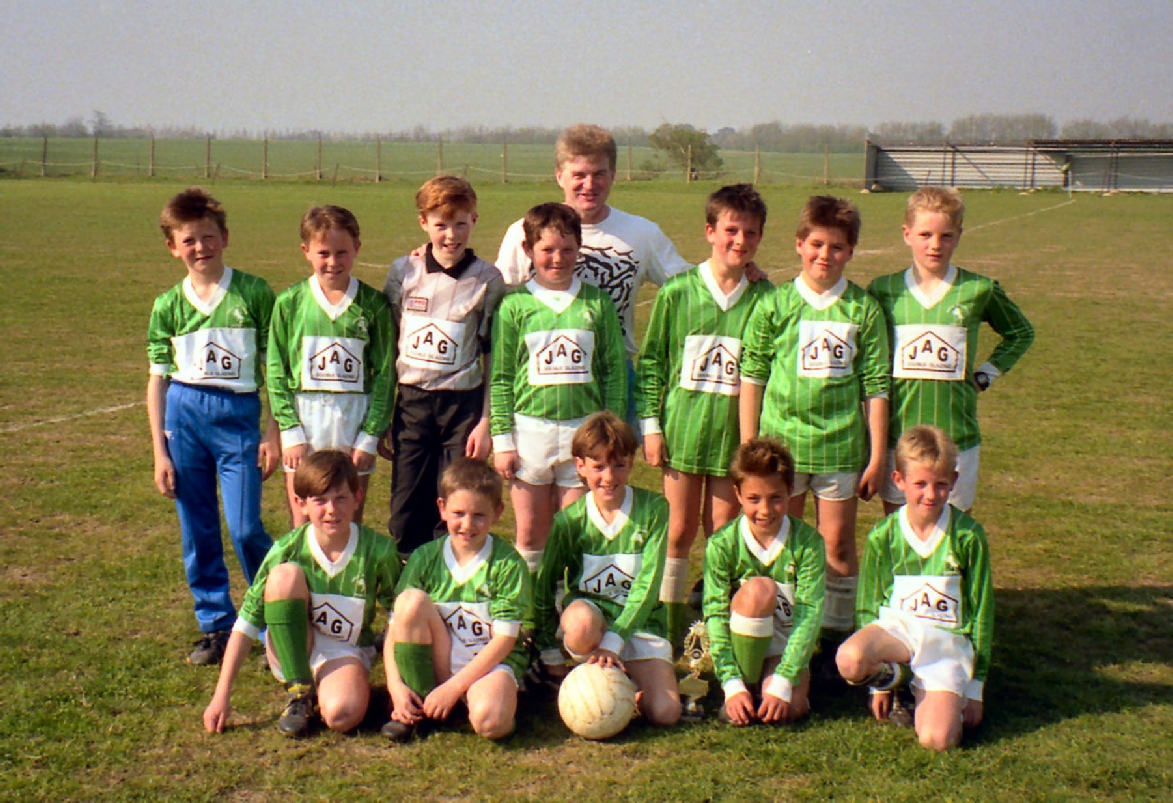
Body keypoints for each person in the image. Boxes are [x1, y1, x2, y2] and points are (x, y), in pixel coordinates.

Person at [739, 195, 890, 657]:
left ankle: (834, 639)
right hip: (780, 452)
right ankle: (784, 640)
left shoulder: (862, 309)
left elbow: (876, 385)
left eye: (838, 247)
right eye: (817, 245)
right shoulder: (776, 303)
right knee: (783, 544)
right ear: (800, 244)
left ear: (851, 251)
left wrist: (878, 455)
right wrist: (750, 448)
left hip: (841, 449)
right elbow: (753, 374)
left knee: (838, 548)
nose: (826, 256)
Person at [635, 184, 775, 648]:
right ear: (710, 231)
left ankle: (714, 630)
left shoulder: (765, 296)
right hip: (682, 435)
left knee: (720, 535)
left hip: (732, 439)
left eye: (750, 233)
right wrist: (651, 428)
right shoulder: (678, 292)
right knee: (678, 531)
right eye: (730, 230)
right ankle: (669, 629)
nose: (740, 241)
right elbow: (653, 362)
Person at [147, 187, 279, 666]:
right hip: (184, 418)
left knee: (245, 528)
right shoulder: (167, 305)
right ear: (173, 247)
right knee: (196, 528)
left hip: (238, 417)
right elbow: (157, 381)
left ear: (224, 237)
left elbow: (276, 369)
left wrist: (273, 431)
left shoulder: (255, 293)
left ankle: (272, 622)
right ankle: (216, 625)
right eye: (189, 241)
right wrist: (160, 451)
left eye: (207, 237)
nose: (200, 248)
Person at [495, 124, 692, 429]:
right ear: (559, 175)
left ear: (613, 174)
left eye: (599, 173)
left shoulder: (641, 233)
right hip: (542, 376)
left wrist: (740, 269)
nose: (589, 184)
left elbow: (690, 286)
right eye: (579, 175)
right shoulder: (524, 232)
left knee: (609, 471)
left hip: (613, 372)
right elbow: (497, 299)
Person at [202, 451, 402, 738]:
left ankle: (334, 683)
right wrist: (221, 695)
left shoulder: (378, 551)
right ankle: (299, 692)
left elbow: (401, 614)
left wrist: (399, 685)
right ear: (302, 504)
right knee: (285, 576)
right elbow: (247, 623)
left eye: (341, 498)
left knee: (342, 715)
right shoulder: (288, 548)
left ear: (357, 498)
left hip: (344, 649)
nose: (331, 510)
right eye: (320, 500)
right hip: (293, 645)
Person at [868, 187, 1034, 514]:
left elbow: (1020, 332)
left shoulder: (978, 289)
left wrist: (985, 375)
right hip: (899, 438)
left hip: (957, 438)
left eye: (946, 236)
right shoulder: (883, 289)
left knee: (953, 539)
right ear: (907, 234)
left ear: (958, 236)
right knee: (902, 537)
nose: (935, 245)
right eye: (925, 234)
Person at [835, 425, 994, 752]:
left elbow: (981, 613)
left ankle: (925, 690)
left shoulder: (968, 536)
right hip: (899, 635)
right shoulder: (884, 535)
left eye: (940, 485)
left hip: (945, 646)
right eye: (920, 484)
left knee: (937, 740)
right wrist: (876, 687)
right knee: (849, 660)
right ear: (899, 481)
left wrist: (975, 688)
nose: (930, 494)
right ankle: (897, 681)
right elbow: (868, 605)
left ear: (954, 481)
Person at [489, 203, 626, 573]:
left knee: (575, 531)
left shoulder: (596, 302)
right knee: (531, 532)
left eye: (566, 249)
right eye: (547, 250)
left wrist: (609, 432)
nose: (557, 258)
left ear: (579, 248)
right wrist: (502, 440)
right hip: (530, 431)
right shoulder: (514, 304)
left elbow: (613, 369)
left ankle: (570, 613)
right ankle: (529, 615)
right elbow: (500, 377)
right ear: (528, 250)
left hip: (583, 432)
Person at [380, 176, 505, 557]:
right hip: (412, 405)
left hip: (460, 408)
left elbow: (491, 357)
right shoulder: (404, 271)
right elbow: (389, 346)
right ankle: (408, 577)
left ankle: (452, 582)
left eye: (461, 223)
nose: (451, 234)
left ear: (475, 220)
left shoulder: (487, 279)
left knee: (456, 499)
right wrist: (385, 412)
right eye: (441, 225)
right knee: (406, 505)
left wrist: (485, 422)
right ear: (423, 223)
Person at [532, 412, 680, 727]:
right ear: (580, 466)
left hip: (640, 626)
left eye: (619, 465)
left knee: (666, 713)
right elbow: (545, 585)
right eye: (598, 466)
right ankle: (585, 674)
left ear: (631, 462)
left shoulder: (654, 511)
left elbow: (648, 585)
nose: (609, 477)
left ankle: (623, 685)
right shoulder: (569, 521)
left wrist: (616, 639)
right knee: (582, 623)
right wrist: (548, 650)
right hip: (592, 625)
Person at [382, 457, 529, 741]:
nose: (467, 524)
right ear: (442, 509)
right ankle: (418, 705)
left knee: (492, 723)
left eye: (479, 515)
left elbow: (504, 640)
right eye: (459, 513)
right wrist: (394, 687)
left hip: (487, 663)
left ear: (498, 512)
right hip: (441, 657)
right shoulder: (425, 557)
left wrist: (455, 687)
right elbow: (394, 630)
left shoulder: (508, 564)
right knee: (410, 602)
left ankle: (475, 701)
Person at [268, 205, 396, 526]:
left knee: (347, 520)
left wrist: (369, 436)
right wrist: (290, 431)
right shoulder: (290, 303)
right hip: (305, 422)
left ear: (357, 249)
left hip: (353, 423)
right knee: (304, 524)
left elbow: (384, 375)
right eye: (323, 253)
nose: (333, 262)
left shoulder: (373, 306)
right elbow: (276, 370)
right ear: (306, 252)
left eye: (342, 252)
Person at [703, 438, 825, 726]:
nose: (766, 510)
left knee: (789, 709)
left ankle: (768, 687)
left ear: (790, 491)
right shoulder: (722, 544)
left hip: (785, 646)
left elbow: (809, 616)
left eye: (776, 498)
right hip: (739, 644)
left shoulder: (808, 544)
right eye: (754, 499)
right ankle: (742, 687)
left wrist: (784, 682)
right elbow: (715, 613)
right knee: (759, 590)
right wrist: (731, 685)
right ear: (738, 494)